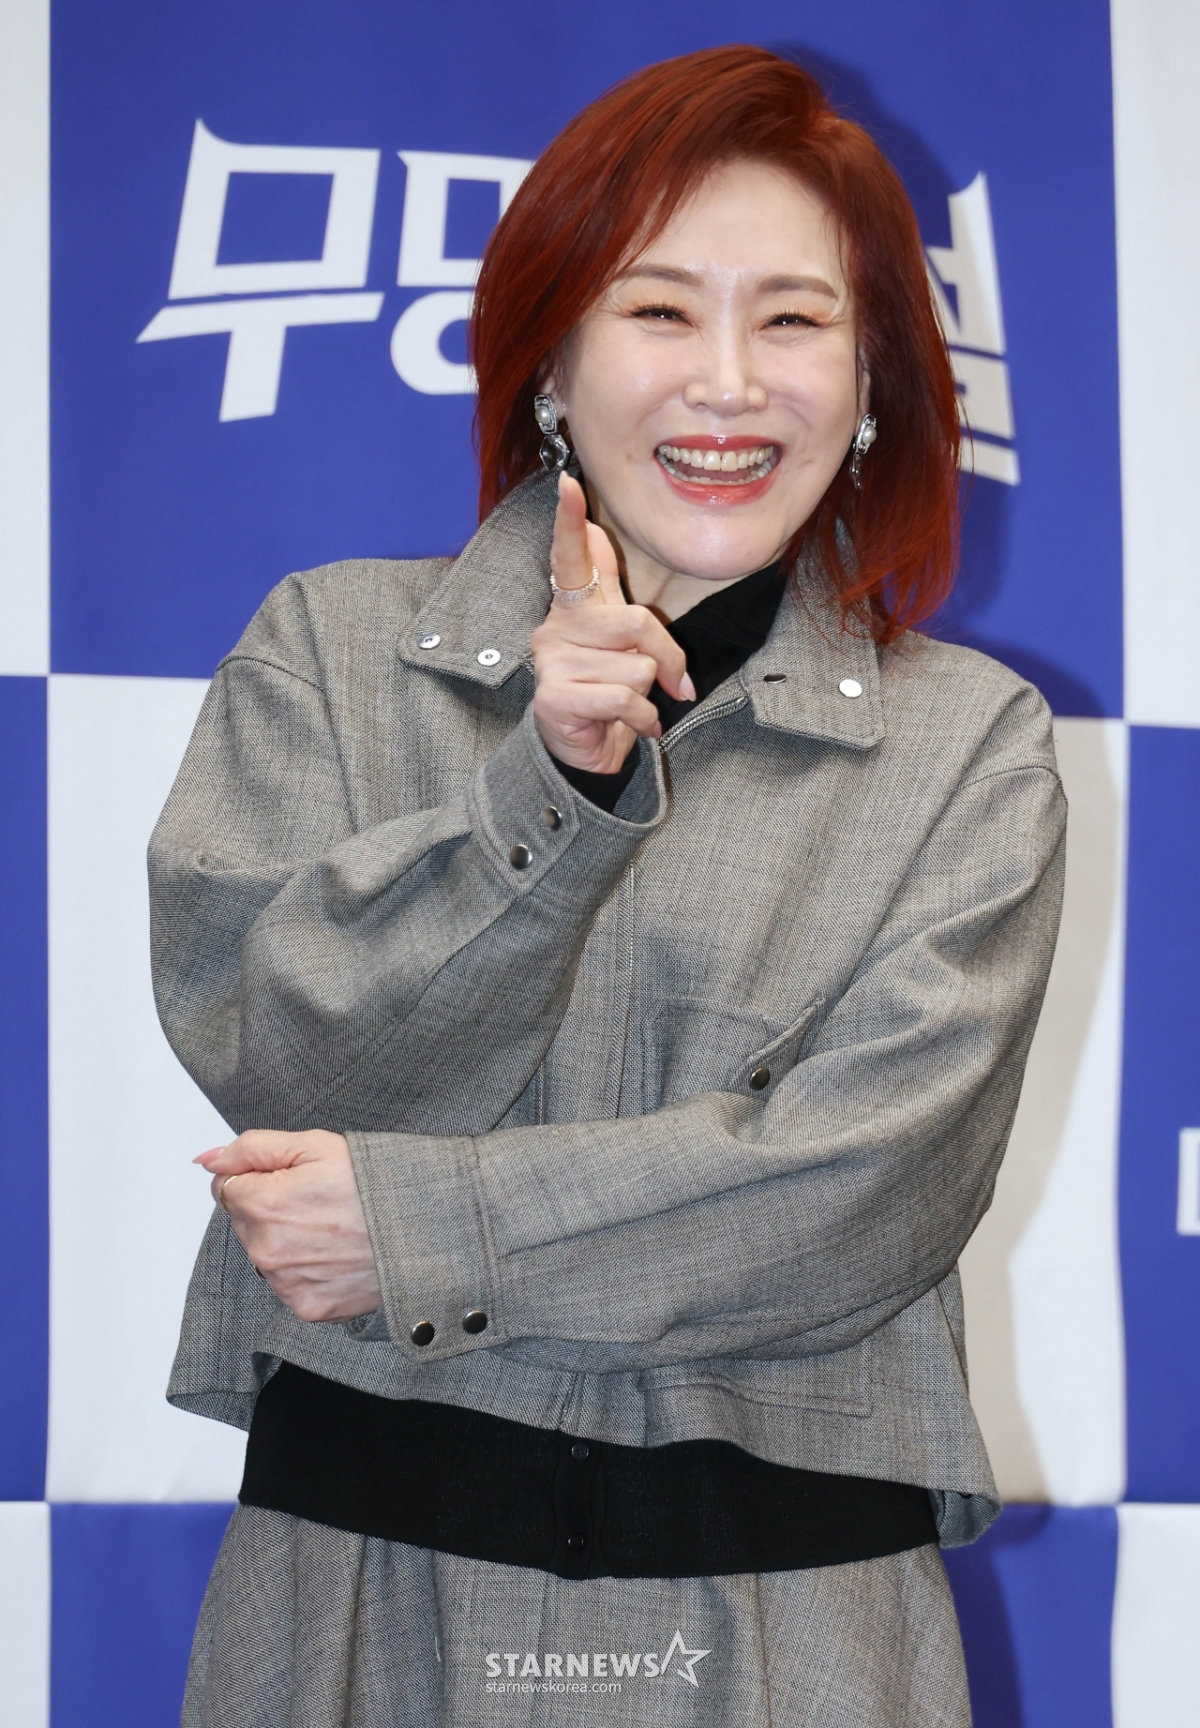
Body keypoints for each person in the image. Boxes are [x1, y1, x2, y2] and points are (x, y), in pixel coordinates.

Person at [151, 45, 1065, 1728]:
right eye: (658, 310)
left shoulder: (971, 743)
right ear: (553, 362)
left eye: (793, 319)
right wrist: (549, 789)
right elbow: (282, 1058)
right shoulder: (331, 651)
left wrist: (418, 1229)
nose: (728, 383)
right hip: (360, 1606)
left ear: (871, 379)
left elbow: (865, 1190)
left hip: (796, 1629)